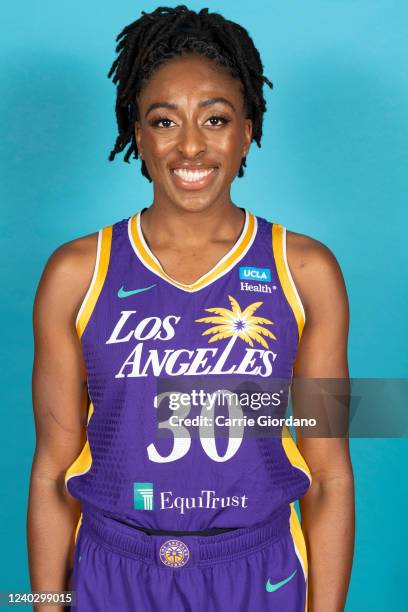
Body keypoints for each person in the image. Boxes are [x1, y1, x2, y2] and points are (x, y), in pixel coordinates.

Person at [27, 5, 354, 611]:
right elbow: (52, 469)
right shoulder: (76, 274)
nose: (192, 146)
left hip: (259, 573)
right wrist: (41, 604)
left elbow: (329, 472)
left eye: (216, 118)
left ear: (248, 128)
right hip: (111, 571)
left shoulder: (306, 273)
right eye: (164, 120)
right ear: (138, 132)